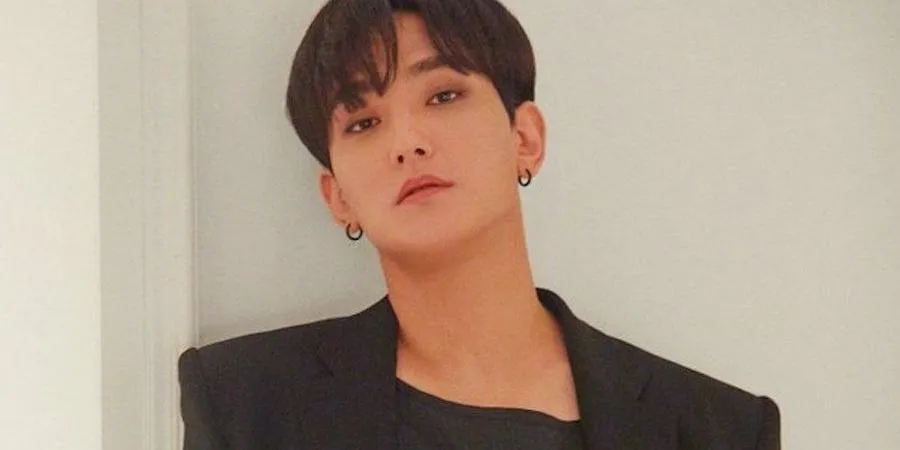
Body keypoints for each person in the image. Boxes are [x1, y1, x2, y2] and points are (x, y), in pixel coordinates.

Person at [178, 0, 781, 448]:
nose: (407, 142)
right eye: (363, 123)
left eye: (442, 95)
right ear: (338, 198)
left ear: (525, 138)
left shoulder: (715, 429)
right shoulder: (245, 403)